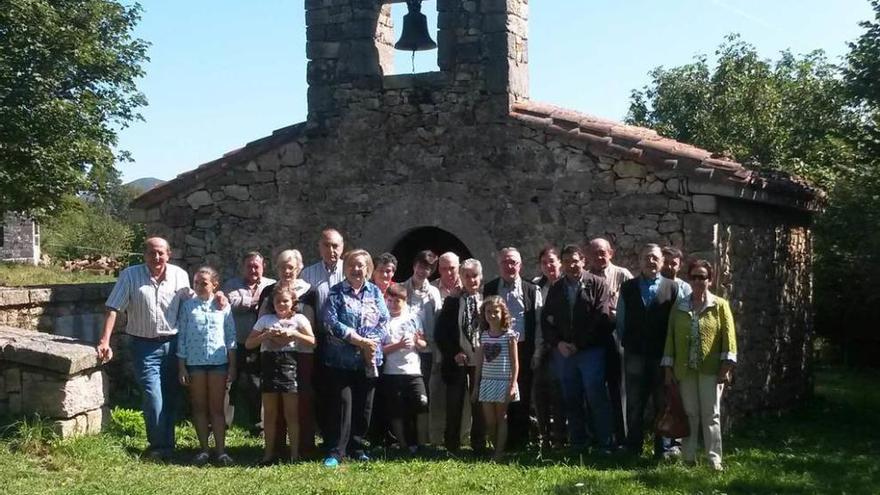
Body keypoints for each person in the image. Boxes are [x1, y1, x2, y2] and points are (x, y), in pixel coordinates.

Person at [97, 237, 192, 460]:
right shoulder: (130, 275)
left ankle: (168, 445)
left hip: (173, 344)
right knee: (153, 395)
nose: (156, 257)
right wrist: (104, 340)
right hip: (143, 346)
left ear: (169, 254)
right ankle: (159, 445)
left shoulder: (180, 276)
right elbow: (113, 308)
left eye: (160, 253)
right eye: (151, 253)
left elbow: (191, 307)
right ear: (144, 255)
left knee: (171, 395)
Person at [662, 259, 736, 471]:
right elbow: (670, 338)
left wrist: (726, 368)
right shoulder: (680, 306)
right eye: (694, 277)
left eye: (702, 277)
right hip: (685, 370)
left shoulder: (720, 306)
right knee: (690, 413)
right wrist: (668, 367)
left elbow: (729, 340)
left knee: (711, 414)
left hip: (711, 370)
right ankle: (689, 457)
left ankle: (714, 459)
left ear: (710, 280)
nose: (697, 281)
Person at [541, 244, 614, 452]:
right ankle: (578, 442)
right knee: (571, 397)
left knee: (595, 395)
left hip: (591, 351)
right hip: (564, 352)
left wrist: (578, 344)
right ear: (562, 264)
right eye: (567, 262)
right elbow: (547, 320)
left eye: (575, 260)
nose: (571, 265)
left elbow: (601, 316)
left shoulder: (598, 284)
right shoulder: (556, 288)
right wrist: (558, 343)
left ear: (583, 261)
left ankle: (604, 442)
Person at [322, 249, 389, 467]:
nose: (356, 269)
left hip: (368, 360)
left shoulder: (376, 293)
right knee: (343, 405)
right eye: (352, 265)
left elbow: (383, 321)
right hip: (341, 361)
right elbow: (330, 322)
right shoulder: (336, 292)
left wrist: (369, 342)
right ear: (345, 268)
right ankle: (336, 451)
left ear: (368, 269)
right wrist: (359, 340)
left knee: (364, 406)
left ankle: (357, 447)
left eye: (361, 265)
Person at [617, 244, 679, 458]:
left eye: (654, 258)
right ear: (639, 261)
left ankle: (663, 448)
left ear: (662, 261)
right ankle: (634, 446)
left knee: (662, 402)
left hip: (662, 356)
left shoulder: (673, 288)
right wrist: (628, 343)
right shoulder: (628, 287)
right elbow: (621, 321)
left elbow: (676, 324)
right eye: (646, 257)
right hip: (635, 354)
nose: (650, 262)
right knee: (634, 402)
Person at [258, 249, 319, 457]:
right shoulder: (269, 292)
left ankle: (302, 448)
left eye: (291, 267)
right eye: (282, 266)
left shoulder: (310, 292)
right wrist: (276, 337)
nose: (286, 271)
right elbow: (261, 322)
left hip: (302, 354)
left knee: (301, 401)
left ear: (299, 268)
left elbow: (314, 326)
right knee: (275, 404)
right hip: (274, 354)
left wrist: (294, 335)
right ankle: (275, 448)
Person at [247, 285, 315, 464]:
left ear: (293, 302)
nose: (282, 304)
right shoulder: (265, 320)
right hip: (269, 364)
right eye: (278, 301)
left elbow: (313, 341)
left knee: (291, 414)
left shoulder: (299, 319)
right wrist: (266, 336)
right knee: (269, 414)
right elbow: (249, 343)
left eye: (285, 301)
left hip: (289, 366)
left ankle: (294, 454)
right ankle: (268, 454)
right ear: (273, 303)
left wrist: (293, 333)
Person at [176, 266, 237, 466]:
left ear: (214, 285)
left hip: (218, 363)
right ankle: (204, 450)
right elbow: (182, 338)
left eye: (204, 283)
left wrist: (232, 365)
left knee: (217, 409)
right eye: (196, 283)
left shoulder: (222, 306)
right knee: (199, 407)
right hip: (195, 363)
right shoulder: (187, 306)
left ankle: (221, 451)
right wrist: (182, 366)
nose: (200, 286)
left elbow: (231, 338)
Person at [483, 247, 541, 450]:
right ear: (499, 265)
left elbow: (539, 323)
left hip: (523, 349)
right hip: (496, 350)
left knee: (521, 395)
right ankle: (501, 443)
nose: (509, 266)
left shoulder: (532, 290)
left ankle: (521, 441)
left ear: (520, 265)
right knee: (500, 396)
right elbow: (483, 320)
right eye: (505, 262)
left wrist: (537, 351)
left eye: (513, 262)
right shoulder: (489, 288)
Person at [436, 258, 486, 454]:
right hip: (458, 360)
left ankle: (479, 442)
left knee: (479, 403)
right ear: (461, 278)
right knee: (454, 402)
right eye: (467, 276)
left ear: (480, 278)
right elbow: (441, 333)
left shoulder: (487, 299)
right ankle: (452, 444)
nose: (471, 280)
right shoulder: (452, 302)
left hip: (480, 359)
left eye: (475, 276)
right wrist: (454, 353)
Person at [586, 237, 633, 447]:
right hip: (592, 337)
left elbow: (633, 306)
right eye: (594, 252)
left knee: (618, 387)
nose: (599, 256)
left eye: (602, 252)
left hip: (616, 336)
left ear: (611, 253)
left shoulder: (623, 275)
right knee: (593, 387)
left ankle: (622, 437)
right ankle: (598, 436)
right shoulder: (585, 278)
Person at [222, 252, 275, 430]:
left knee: (256, 383)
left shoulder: (271, 285)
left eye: (256, 266)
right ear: (243, 267)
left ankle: (258, 424)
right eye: (249, 266)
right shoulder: (232, 285)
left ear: (263, 267)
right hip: (235, 342)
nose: (253, 269)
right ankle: (222, 424)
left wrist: (247, 302)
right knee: (230, 382)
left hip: (262, 343)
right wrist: (257, 301)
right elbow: (231, 304)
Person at [381, 283, 428, 454]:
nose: (393, 304)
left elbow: (424, 344)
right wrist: (399, 345)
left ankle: (422, 445)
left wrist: (417, 342)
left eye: (397, 301)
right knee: (397, 411)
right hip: (392, 372)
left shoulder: (414, 318)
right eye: (390, 300)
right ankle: (403, 446)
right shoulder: (384, 320)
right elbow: (381, 350)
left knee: (422, 404)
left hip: (413, 371)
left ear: (405, 301)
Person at [403, 250, 444, 444]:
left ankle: (424, 438)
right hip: (405, 350)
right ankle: (407, 438)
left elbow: (438, 323)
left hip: (427, 351)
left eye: (428, 268)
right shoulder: (403, 289)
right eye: (421, 266)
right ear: (414, 266)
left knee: (424, 396)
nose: (423, 270)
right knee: (406, 394)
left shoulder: (434, 293)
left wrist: (435, 350)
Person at [472, 296, 520, 461]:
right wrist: (476, 385)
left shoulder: (510, 336)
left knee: (501, 417)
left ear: (503, 313)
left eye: (496, 312)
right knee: (490, 421)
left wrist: (513, 385)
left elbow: (515, 364)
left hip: (503, 382)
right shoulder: (484, 335)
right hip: (487, 381)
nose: (492, 315)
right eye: (488, 312)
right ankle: (495, 447)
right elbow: (480, 363)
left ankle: (499, 453)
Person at [531, 246, 566, 449]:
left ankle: (561, 437)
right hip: (541, 347)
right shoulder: (537, 286)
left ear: (559, 262)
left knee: (560, 393)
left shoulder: (566, 285)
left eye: (552, 261)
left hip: (560, 347)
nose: (549, 266)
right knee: (540, 393)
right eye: (544, 263)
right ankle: (544, 437)